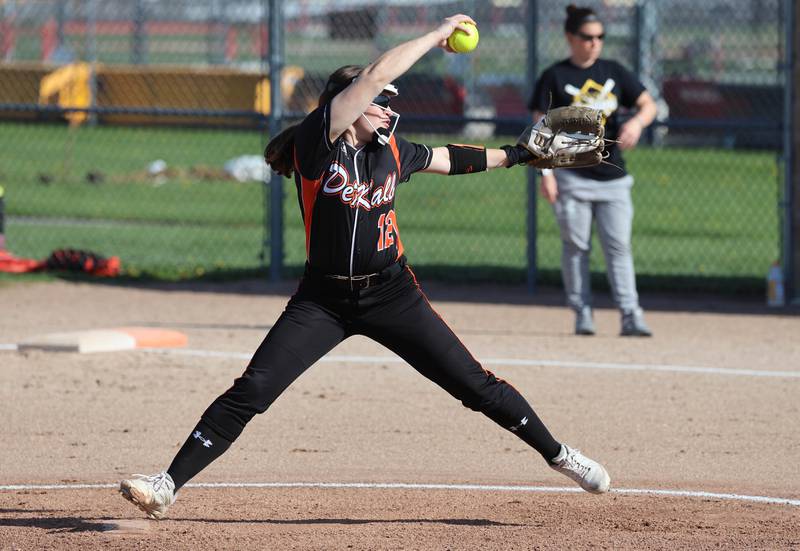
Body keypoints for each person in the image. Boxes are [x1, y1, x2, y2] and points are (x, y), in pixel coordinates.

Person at [119, 14, 610, 520]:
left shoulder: (391, 150)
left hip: (392, 294)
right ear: (345, 104)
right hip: (323, 301)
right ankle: (167, 483)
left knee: (474, 385)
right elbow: (373, 77)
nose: (385, 108)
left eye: (388, 103)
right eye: (378, 101)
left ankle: (558, 454)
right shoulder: (318, 143)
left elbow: (449, 158)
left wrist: (517, 155)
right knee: (254, 390)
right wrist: (436, 36)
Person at [529, 4, 657, 337]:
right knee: (576, 247)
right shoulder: (555, 76)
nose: (595, 43)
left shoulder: (614, 71)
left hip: (613, 177)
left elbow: (648, 104)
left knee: (618, 247)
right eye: (587, 37)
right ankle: (582, 312)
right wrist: (546, 175)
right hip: (571, 174)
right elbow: (539, 129)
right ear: (570, 37)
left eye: (600, 37)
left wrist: (637, 123)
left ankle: (631, 314)